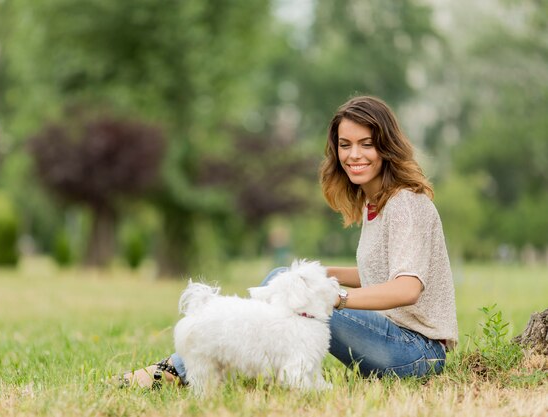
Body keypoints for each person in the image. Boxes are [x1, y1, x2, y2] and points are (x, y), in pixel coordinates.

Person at [120, 95, 458, 387]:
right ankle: (200, 365)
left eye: (366, 144)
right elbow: (378, 273)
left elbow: (406, 289)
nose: (354, 155)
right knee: (284, 279)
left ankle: (180, 369)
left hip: (417, 353)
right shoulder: (377, 203)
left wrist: (332, 298)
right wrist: (317, 274)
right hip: (393, 341)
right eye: (345, 145)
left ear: (385, 146)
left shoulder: (405, 204)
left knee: (290, 292)